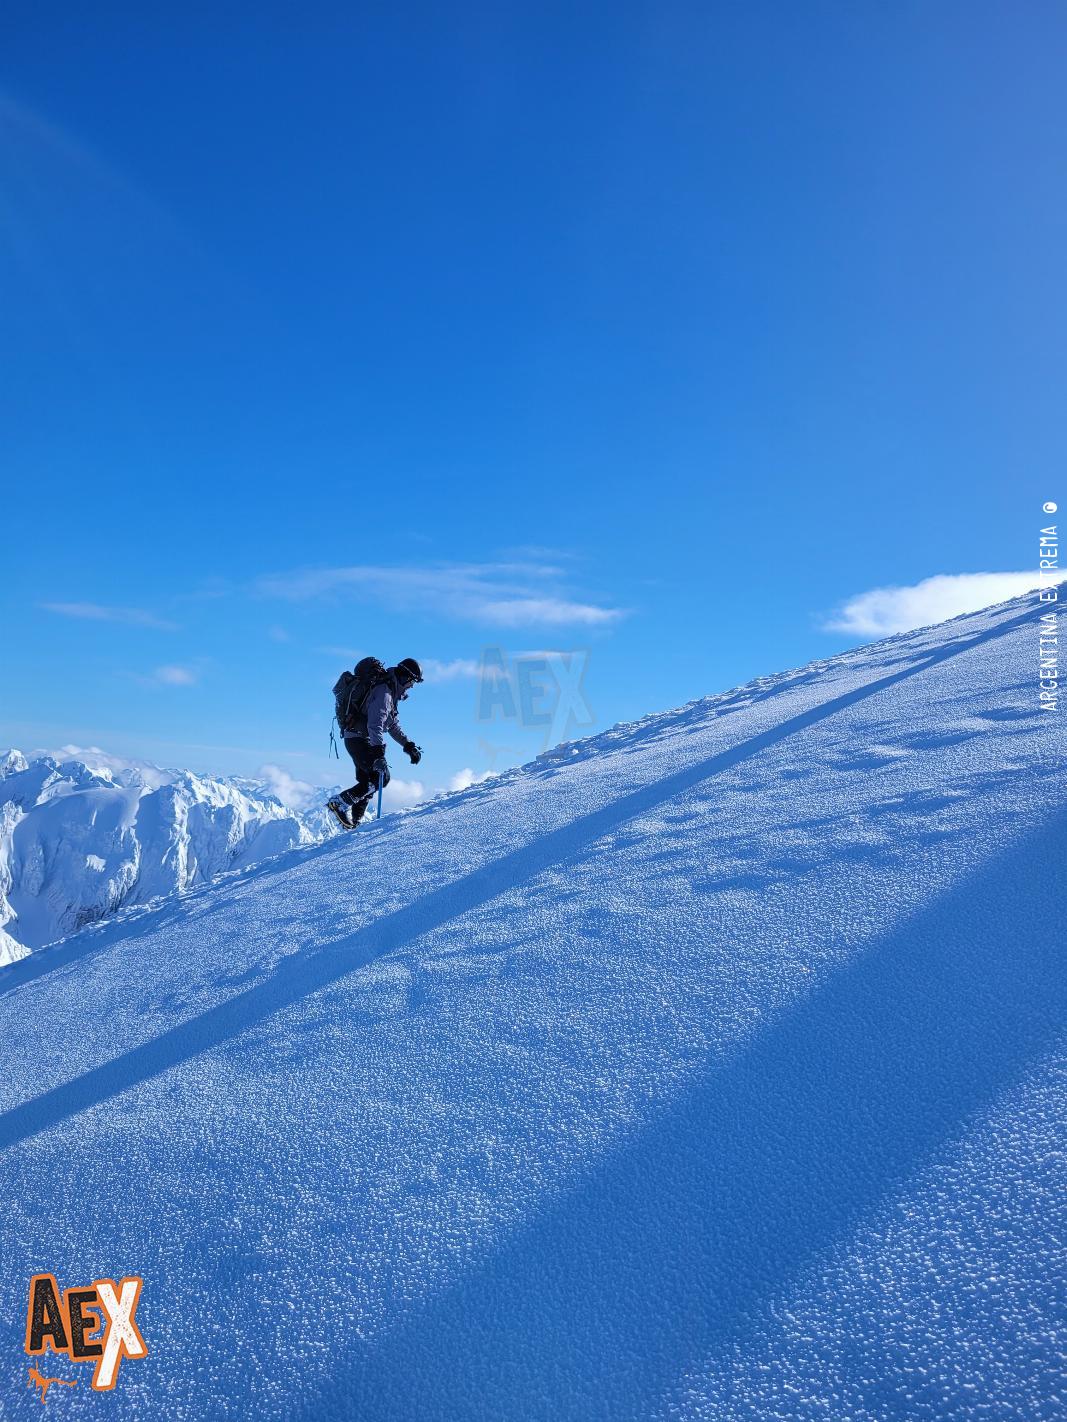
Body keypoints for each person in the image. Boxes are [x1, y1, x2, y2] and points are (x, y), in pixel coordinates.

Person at [328, 657, 423, 827]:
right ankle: (339, 802)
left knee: (369, 781)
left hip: (359, 738)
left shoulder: (390, 692)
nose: (412, 686)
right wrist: (379, 754)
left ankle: (356, 823)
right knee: (380, 777)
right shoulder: (384, 693)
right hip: (358, 739)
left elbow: (392, 725)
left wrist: (408, 745)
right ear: (406, 677)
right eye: (412, 682)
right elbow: (375, 725)